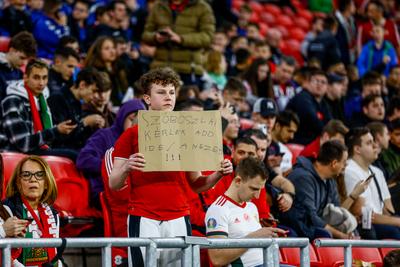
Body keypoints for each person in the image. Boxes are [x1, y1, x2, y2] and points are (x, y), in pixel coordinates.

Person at [109, 67, 233, 266]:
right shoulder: (131, 135)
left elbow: (197, 183)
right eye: (161, 92)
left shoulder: (187, 133)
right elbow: (114, 184)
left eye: (172, 92)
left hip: (179, 215)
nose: (168, 97)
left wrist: (218, 174)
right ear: (147, 98)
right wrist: (126, 168)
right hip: (143, 216)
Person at [205, 157, 286, 267]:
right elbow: (217, 259)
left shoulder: (251, 207)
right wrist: (255, 236)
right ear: (238, 181)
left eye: (260, 190)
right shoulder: (218, 210)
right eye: (254, 189)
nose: (257, 196)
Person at [77, 99, 145, 208]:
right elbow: (83, 159)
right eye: (131, 119)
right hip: (102, 191)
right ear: (122, 117)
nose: (134, 125)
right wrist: (115, 168)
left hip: (132, 191)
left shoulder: (142, 140)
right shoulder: (104, 135)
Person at [0, 59, 76, 155]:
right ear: (25, 78)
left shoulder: (42, 100)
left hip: (35, 151)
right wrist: (56, 130)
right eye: (36, 78)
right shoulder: (12, 101)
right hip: (13, 154)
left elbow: (48, 140)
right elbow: (23, 144)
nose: (41, 83)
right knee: (72, 155)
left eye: (44, 78)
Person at [281, 140, 354, 239]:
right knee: (325, 235)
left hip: (310, 227)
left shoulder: (330, 180)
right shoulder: (302, 178)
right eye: (344, 162)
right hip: (297, 228)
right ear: (334, 163)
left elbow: (336, 210)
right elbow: (311, 218)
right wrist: (341, 235)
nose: (346, 166)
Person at [141, 0, 215, 88]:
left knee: (186, 101)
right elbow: (145, 34)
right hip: (160, 68)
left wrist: (181, 39)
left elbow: (207, 37)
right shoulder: (159, 6)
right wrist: (155, 37)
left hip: (188, 70)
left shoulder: (202, 7)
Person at [344, 127, 400, 239]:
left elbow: (389, 210)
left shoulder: (377, 172)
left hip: (380, 223)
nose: (375, 146)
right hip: (365, 226)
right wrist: (397, 222)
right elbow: (362, 214)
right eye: (369, 143)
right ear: (357, 149)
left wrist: (396, 221)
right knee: (394, 233)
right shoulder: (349, 170)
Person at [4, 155, 60, 266]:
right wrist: (3, 230)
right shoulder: (5, 209)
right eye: (26, 175)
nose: (33, 179)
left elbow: (56, 254)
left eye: (39, 175)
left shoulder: (53, 214)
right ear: (18, 184)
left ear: (46, 184)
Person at [286, 69, 332, 145]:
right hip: (297, 142)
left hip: (311, 143)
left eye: (323, 82)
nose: (319, 84)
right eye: (316, 81)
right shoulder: (302, 97)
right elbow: (311, 118)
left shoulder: (324, 104)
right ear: (308, 83)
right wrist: (328, 132)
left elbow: (330, 123)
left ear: (327, 87)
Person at [85, 36, 129, 106]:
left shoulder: (120, 66)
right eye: (107, 48)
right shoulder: (93, 71)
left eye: (113, 47)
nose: (112, 51)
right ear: (98, 51)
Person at [0, 32, 37, 101]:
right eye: (22, 58)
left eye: (27, 59)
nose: (24, 63)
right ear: (12, 50)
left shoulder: (19, 73)